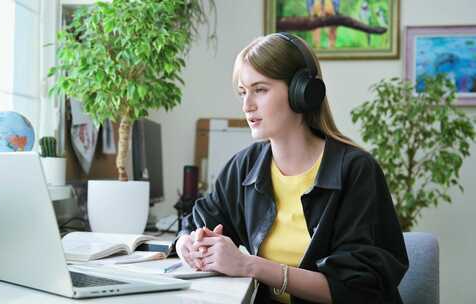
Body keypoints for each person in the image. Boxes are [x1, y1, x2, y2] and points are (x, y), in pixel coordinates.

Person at [175, 32, 408, 304]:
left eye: (260, 90)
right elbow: (198, 221)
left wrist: (249, 265)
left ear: (303, 92)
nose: (246, 106)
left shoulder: (356, 171)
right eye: (243, 92)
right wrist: (187, 244)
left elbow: (357, 289)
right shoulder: (245, 166)